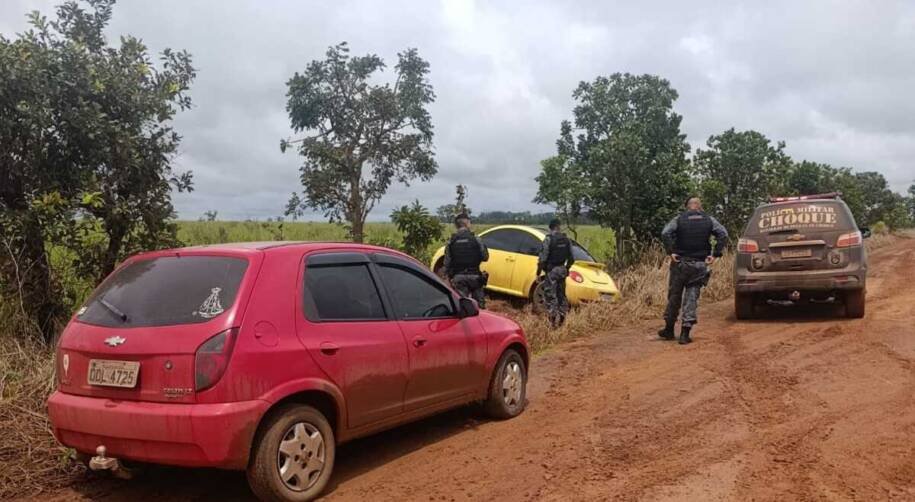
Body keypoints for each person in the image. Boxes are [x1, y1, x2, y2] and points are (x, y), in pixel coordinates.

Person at [659, 196, 728, 344]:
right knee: (691, 298)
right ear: (699, 206)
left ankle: (669, 329)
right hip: (699, 265)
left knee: (674, 296)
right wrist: (715, 254)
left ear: (687, 206)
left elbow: (665, 233)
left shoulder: (679, 219)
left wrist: (671, 251)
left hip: (680, 264)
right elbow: (723, 234)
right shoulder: (709, 220)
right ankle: (685, 333)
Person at [443, 213, 489, 308]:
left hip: (458, 278)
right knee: (480, 309)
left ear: (456, 225)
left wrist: (447, 277)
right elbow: (485, 257)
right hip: (475, 277)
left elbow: (446, 263)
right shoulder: (476, 239)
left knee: (462, 307)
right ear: (467, 223)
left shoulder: (451, 241)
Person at [538, 218, 575, 327]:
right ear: (559, 226)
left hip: (552, 270)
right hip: (562, 270)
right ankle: (562, 319)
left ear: (551, 228)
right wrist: (567, 268)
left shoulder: (548, 239)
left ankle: (552, 322)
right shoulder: (566, 239)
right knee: (561, 295)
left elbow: (543, 258)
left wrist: (539, 272)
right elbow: (572, 258)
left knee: (550, 295)